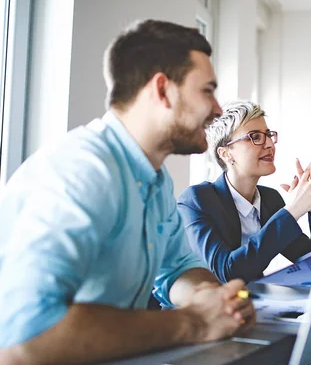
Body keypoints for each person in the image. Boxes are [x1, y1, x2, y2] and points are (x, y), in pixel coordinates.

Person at [0, 20, 256, 364]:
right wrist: (193, 322)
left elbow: (177, 267)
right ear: (162, 90)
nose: (218, 109)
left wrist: (215, 301)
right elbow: (27, 338)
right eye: (207, 91)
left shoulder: (155, 178)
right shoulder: (81, 172)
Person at [177, 101, 311, 283]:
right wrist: (293, 210)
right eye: (255, 136)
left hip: (250, 305)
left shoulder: (270, 199)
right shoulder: (195, 200)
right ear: (226, 153)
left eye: (268, 135)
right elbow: (227, 272)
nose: (269, 144)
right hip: (199, 308)